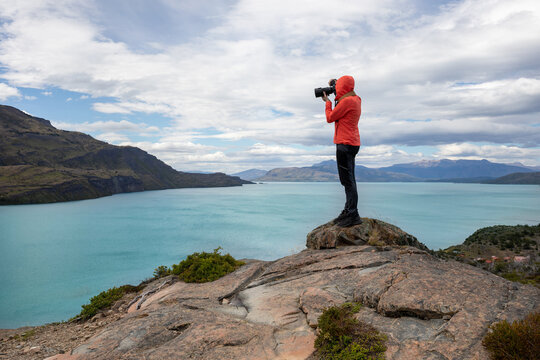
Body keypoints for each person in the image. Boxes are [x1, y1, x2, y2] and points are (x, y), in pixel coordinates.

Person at [322, 75, 362, 227]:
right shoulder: (355, 99)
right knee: (348, 180)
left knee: (348, 181)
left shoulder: (346, 102)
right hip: (351, 143)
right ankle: (348, 210)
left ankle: (353, 214)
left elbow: (330, 117)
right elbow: (345, 89)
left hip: (344, 144)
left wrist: (328, 103)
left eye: (337, 87)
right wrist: (335, 84)